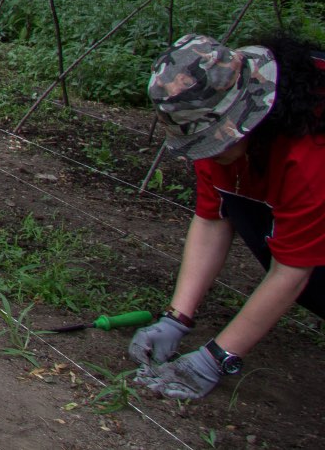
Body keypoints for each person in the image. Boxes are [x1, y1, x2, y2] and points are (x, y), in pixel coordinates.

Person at [130, 32, 325, 400]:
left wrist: (216, 358)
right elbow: (212, 217)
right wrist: (177, 317)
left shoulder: (309, 150)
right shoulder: (224, 146)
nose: (210, 150)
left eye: (215, 139)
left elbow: (293, 268)